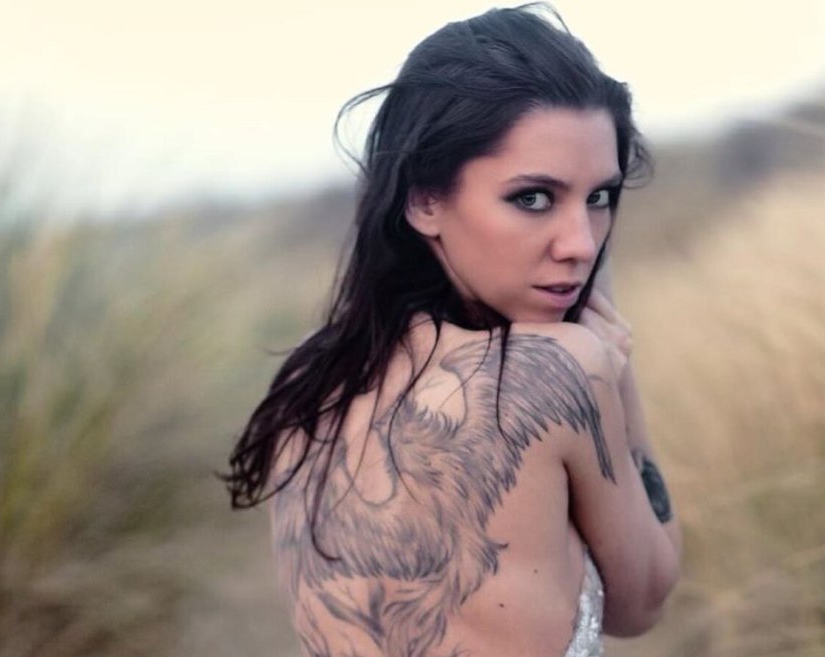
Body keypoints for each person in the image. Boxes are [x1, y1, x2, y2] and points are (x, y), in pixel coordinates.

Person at [223, 5, 682, 656]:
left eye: (599, 197)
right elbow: (643, 600)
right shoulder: (560, 369)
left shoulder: (309, 381)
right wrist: (615, 368)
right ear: (424, 200)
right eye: (532, 198)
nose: (580, 243)